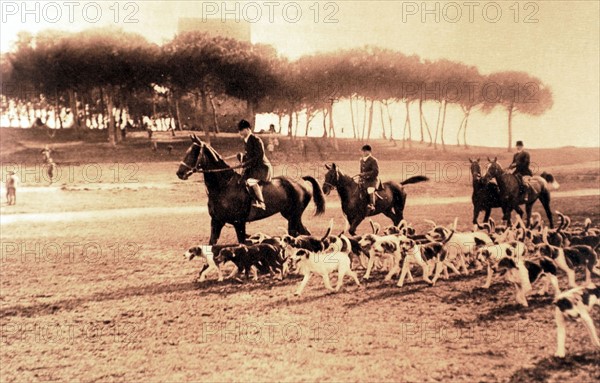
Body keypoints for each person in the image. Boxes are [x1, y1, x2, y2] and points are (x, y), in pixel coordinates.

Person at [237, 119, 272, 210]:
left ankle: (261, 202)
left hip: (263, 168)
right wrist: (242, 157)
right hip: (254, 167)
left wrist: (245, 163)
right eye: (239, 130)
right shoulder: (246, 140)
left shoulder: (256, 139)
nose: (240, 132)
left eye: (241, 130)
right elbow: (250, 156)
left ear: (248, 129)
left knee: (250, 181)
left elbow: (259, 156)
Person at [358, 145, 379, 211]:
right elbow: (361, 171)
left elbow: (375, 172)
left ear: (368, 152)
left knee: (370, 190)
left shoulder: (373, 160)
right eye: (362, 151)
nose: (363, 153)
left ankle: (372, 205)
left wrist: (365, 174)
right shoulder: (361, 160)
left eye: (364, 151)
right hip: (363, 180)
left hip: (372, 181)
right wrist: (360, 177)